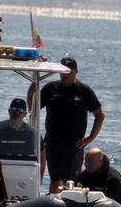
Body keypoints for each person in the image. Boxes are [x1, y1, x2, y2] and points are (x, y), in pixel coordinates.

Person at [28, 56, 104, 193]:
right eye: (62, 72)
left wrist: (89, 139)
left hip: (74, 146)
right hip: (52, 143)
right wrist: (33, 85)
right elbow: (32, 109)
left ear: (75, 71)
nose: (64, 75)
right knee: (55, 180)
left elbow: (100, 115)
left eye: (67, 72)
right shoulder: (51, 88)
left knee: (71, 182)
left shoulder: (84, 90)